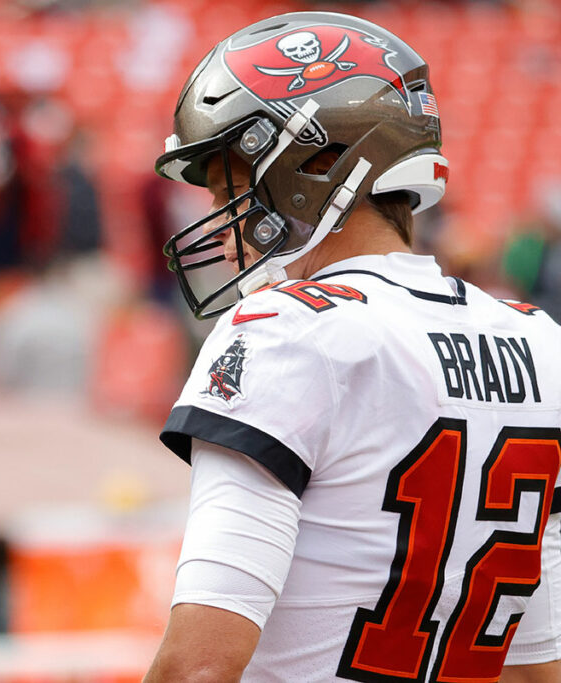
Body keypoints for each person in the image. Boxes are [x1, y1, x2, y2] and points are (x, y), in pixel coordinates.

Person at [143, 11, 561, 682]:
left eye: (233, 190)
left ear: (319, 162)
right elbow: (535, 665)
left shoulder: (289, 329)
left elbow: (199, 665)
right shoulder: (539, 342)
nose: (222, 230)